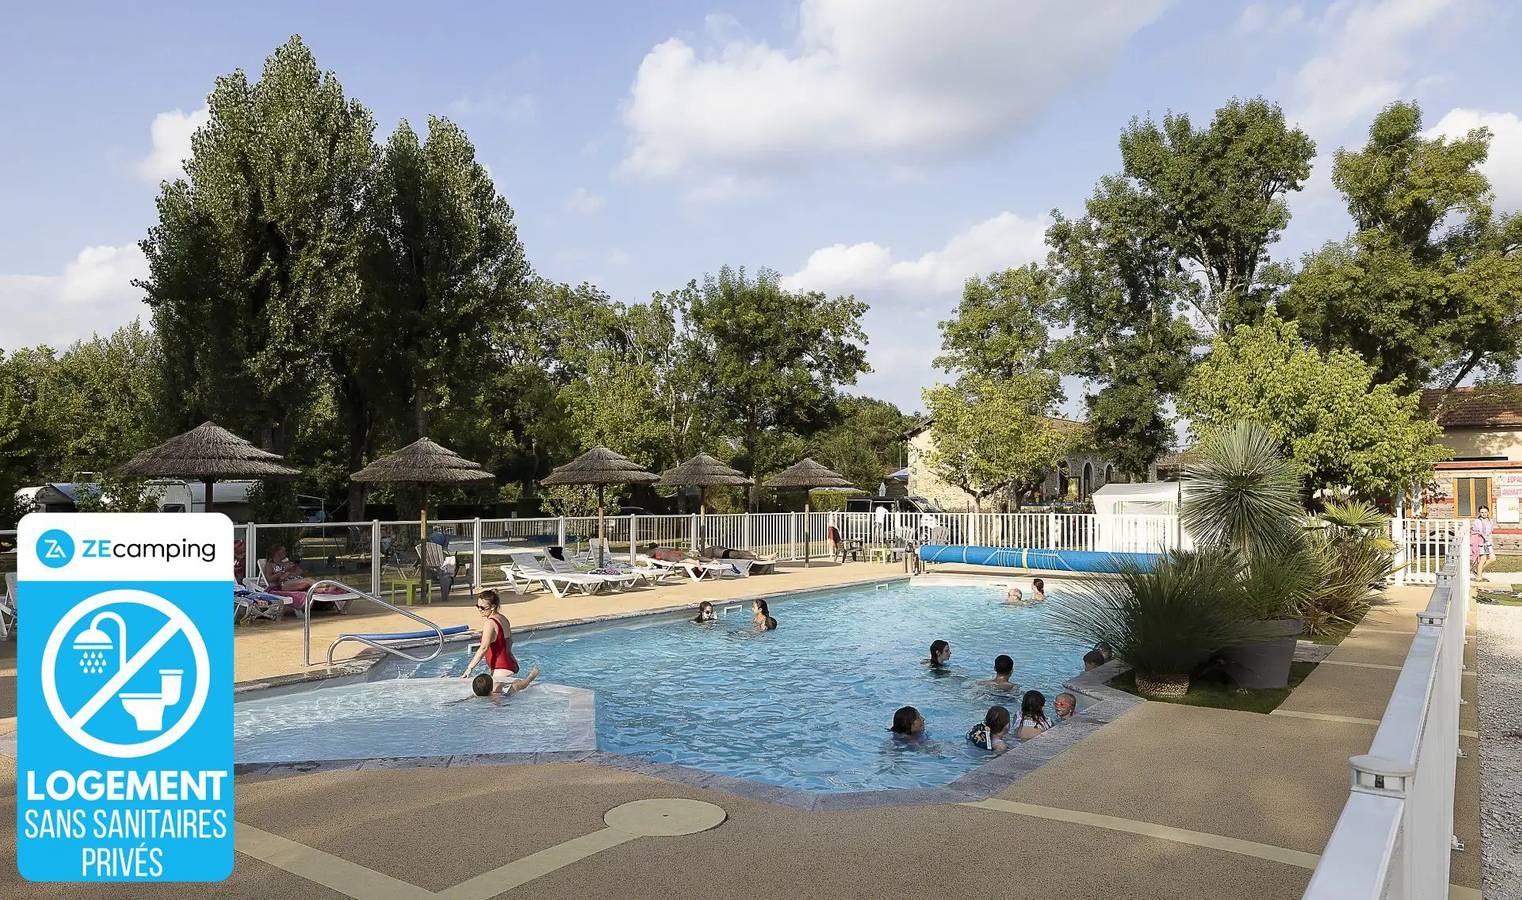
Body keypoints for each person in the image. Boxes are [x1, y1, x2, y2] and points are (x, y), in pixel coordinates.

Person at [461, 590, 539, 692]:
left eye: (483, 608)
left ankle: (529, 679)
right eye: (477, 606)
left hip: (501, 667)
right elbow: (509, 641)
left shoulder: (490, 623)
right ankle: (529, 679)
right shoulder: (503, 619)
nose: (479, 610)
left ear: (493, 607)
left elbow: (484, 648)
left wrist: (469, 668)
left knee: (496, 700)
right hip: (509, 664)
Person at [420, 536, 457, 604]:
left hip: (433, 572)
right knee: (447, 578)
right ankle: (445, 597)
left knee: (446, 577)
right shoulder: (436, 552)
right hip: (436, 573)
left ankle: (425, 595)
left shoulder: (428, 551)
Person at [1472, 506, 1496, 581]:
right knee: (1483, 558)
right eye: (1482, 512)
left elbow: (1490, 531)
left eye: (1485, 512)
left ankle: (1477, 570)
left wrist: (1490, 541)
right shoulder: (1477, 521)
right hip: (1481, 542)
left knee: (1493, 558)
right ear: (1479, 513)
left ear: (1488, 512)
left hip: (1488, 542)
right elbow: (1479, 531)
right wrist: (1484, 536)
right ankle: (1479, 577)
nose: (1484, 514)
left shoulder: (1490, 521)